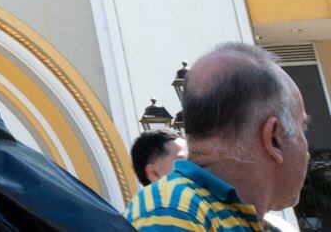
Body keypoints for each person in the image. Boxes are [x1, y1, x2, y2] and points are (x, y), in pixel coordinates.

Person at [130, 42, 312, 230]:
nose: (307, 151)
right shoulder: (171, 209)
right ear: (274, 139)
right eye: (303, 127)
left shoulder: (181, 207)